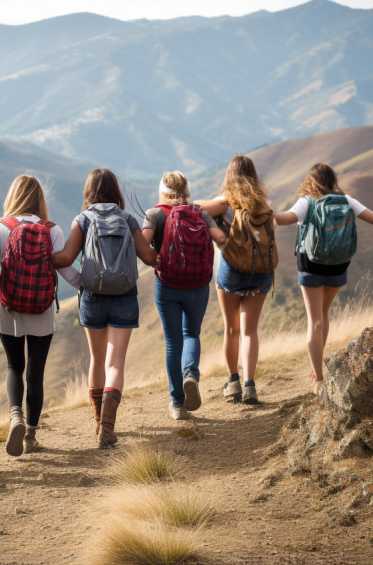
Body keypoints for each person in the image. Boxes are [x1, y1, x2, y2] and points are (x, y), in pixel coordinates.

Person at [273, 163, 373, 394]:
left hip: (311, 264)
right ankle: (317, 369)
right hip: (338, 265)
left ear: (311, 181)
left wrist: (266, 215)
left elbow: (286, 218)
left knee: (314, 321)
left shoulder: (307, 201)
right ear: (332, 180)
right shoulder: (346, 201)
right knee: (324, 316)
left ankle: (317, 377)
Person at [52, 168, 158, 448]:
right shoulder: (128, 219)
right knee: (115, 363)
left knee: (97, 361)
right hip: (124, 296)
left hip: (93, 297)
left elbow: (65, 257)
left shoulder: (82, 220)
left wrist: (39, 256)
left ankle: (98, 422)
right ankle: (108, 430)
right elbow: (147, 256)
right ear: (115, 191)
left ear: (89, 192)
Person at [0, 175, 80, 456]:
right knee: (36, 373)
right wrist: (90, 286)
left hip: (8, 308)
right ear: (40, 200)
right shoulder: (53, 230)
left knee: (15, 366)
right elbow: (68, 272)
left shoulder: (0, 228)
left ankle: (15, 417)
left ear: (13, 197)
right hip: (41, 309)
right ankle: (32, 437)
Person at [142, 171, 226, 420]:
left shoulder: (155, 214)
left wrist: (153, 258)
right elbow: (220, 238)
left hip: (167, 285)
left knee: (172, 342)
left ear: (162, 193)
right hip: (198, 285)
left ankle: (177, 404)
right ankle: (191, 375)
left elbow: (143, 243)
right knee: (192, 334)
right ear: (187, 192)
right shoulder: (199, 212)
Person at [196, 155, 275, 405]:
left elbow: (195, 208)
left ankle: (233, 383)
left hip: (231, 272)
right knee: (250, 331)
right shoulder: (264, 204)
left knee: (232, 330)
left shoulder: (225, 202)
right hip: (261, 272)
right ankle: (250, 385)